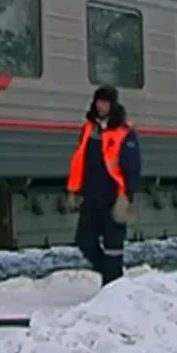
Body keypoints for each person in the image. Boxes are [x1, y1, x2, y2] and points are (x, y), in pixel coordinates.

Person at [63, 85, 142, 287]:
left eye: (105, 102)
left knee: (113, 247)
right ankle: (111, 276)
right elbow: (78, 160)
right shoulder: (89, 129)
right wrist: (73, 189)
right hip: (90, 196)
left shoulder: (124, 133)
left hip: (113, 197)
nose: (101, 106)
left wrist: (126, 197)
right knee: (85, 242)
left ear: (113, 104)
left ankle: (112, 288)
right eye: (99, 101)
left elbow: (132, 166)